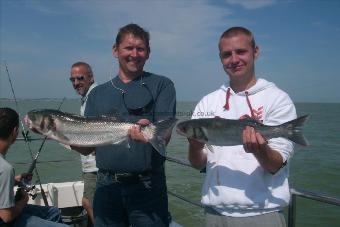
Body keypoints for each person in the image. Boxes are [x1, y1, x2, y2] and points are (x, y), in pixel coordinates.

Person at [188, 26, 297, 227]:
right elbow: (198, 163)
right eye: (226, 54)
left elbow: (275, 165)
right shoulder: (207, 102)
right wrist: (194, 147)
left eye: (241, 51)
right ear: (220, 59)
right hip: (214, 214)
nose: (234, 59)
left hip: (263, 214)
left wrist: (260, 149)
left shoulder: (278, 99)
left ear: (255, 52)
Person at [77, 23, 176, 226]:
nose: (134, 54)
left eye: (140, 48)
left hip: (148, 186)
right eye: (128, 48)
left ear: (148, 53)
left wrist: (149, 136)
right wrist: (57, 134)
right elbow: (87, 148)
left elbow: (164, 135)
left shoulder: (163, 85)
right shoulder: (96, 94)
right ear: (116, 50)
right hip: (106, 186)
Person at [0, 107, 68, 227]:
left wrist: (14, 180)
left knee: (54, 213)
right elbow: (6, 216)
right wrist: (23, 201)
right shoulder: (5, 168)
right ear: (14, 131)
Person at [69, 61, 98, 226]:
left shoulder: (93, 97)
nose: (75, 83)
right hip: (91, 164)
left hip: (95, 166)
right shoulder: (87, 97)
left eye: (80, 78)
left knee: (89, 203)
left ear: (91, 78)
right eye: (72, 80)